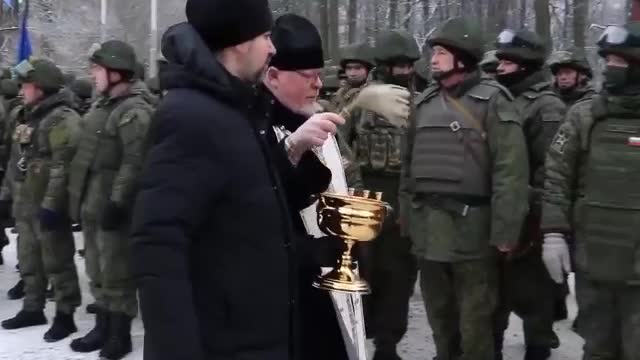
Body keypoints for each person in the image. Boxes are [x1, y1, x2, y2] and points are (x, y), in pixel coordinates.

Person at [129, 0, 344, 359]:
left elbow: (246, 221)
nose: (272, 48)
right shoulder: (190, 116)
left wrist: (309, 252)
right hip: (226, 343)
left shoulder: (239, 109)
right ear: (240, 42)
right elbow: (158, 246)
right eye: (264, 36)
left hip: (259, 333)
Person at [401, 17, 529, 360]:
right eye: (434, 53)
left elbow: (511, 173)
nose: (434, 59)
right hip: (429, 232)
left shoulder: (493, 101)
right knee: (440, 321)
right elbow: (408, 168)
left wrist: (505, 232)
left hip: (473, 233)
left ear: (462, 57)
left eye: (441, 52)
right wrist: (407, 221)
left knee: (476, 325)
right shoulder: (424, 103)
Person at [541, 22, 640, 360]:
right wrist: (553, 233)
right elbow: (556, 176)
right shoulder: (584, 115)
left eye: (620, 61)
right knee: (597, 347)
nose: (611, 68)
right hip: (593, 262)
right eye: (608, 60)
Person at [67, 40, 156, 360]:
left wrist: (118, 202)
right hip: (93, 202)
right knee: (96, 267)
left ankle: (120, 334)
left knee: (117, 270)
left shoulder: (134, 110)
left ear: (117, 72)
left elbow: (133, 162)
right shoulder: (102, 106)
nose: (93, 75)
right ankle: (103, 325)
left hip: (115, 206)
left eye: (98, 69)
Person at [338, 29, 420, 360]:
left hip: (404, 192)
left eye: (407, 65)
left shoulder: (423, 100)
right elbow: (336, 141)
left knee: (399, 273)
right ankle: (355, 335)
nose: (403, 71)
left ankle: (387, 343)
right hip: (365, 191)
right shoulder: (361, 100)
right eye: (395, 65)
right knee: (360, 269)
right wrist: (350, 180)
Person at [494, 28, 567, 360]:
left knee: (535, 301)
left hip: (530, 219)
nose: (501, 66)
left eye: (509, 61)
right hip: (497, 213)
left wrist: (525, 199)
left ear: (526, 63)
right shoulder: (498, 95)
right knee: (493, 299)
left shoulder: (546, 106)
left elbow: (552, 169)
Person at [0, 58, 82, 343]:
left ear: (43, 87)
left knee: (58, 261)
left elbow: (63, 166)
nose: (22, 90)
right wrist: (7, 196)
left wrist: (52, 204)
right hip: (25, 203)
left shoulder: (63, 119)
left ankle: (65, 314)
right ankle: (33, 307)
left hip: (48, 205)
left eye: (28, 85)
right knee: (29, 259)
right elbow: (15, 158)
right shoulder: (26, 114)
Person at [331, 42, 374, 113]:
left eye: (358, 68)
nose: (352, 73)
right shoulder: (343, 90)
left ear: (368, 70)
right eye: (349, 68)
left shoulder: (374, 92)